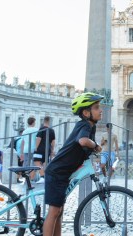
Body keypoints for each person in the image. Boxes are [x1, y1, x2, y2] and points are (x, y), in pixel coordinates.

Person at [43, 92, 104, 236]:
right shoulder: (85, 125)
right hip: (57, 172)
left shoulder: (90, 127)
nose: (100, 110)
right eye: (96, 107)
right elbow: (83, 141)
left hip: (62, 172)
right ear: (86, 112)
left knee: (59, 211)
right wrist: (95, 145)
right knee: (54, 211)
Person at [33, 116, 56, 184]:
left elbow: (39, 139)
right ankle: (45, 176)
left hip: (40, 149)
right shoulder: (52, 130)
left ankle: (42, 176)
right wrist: (52, 150)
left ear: (44, 121)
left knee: (36, 161)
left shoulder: (42, 129)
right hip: (47, 149)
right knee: (45, 162)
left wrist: (36, 147)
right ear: (49, 121)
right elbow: (53, 142)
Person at [20, 117, 39, 181]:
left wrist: (21, 152)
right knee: (34, 163)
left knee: (26, 164)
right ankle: (33, 177)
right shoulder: (36, 130)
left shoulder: (25, 131)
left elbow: (22, 142)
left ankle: (26, 177)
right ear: (33, 122)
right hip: (34, 149)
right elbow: (37, 139)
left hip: (26, 149)